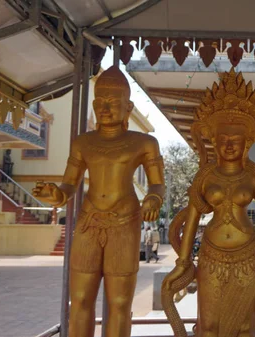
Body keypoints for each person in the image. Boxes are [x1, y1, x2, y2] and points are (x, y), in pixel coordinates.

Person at [162, 69, 255, 337]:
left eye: (235, 140)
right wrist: (182, 263)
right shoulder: (205, 175)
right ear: (213, 139)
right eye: (223, 139)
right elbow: (190, 221)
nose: (228, 145)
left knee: (245, 325)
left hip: (247, 257)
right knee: (210, 325)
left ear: (248, 142)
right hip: (211, 255)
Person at [32, 66, 165, 337]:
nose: (104, 108)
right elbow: (70, 183)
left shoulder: (144, 143)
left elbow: (158, 183)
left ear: (128, 107)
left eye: (112, 103)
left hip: (124, 224)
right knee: (80, 300)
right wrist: (57, 194)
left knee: (118, 303)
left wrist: (152, 198)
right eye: (99, 102)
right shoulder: (83, 143)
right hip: (88, 224)